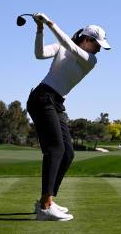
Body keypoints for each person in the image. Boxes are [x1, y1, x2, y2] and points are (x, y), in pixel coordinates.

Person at [26, 12, 111, 221]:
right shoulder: (64, 47)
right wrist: (40, 29)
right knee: (56, 149)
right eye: (97, 43)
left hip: (56, 103)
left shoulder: (91, 60)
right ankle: (45, 207)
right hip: (42, 97)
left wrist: (50, 23)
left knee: (68, 154)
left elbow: (69, 45)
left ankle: (47, 200)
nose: (100, 48)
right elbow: (39, 54)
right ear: (87, 39)